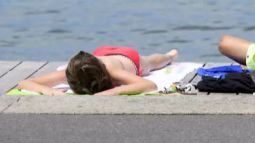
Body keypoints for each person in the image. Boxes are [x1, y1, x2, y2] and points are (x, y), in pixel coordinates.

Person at [17, 47, 178, 95]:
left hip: (126, 56)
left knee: (152, 62)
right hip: (100, 53)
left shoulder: (112, 71)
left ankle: (169, 56)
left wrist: (110, 93)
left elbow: (148, 84)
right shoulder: (71, 73)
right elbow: (24, 83)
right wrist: (49, 91)